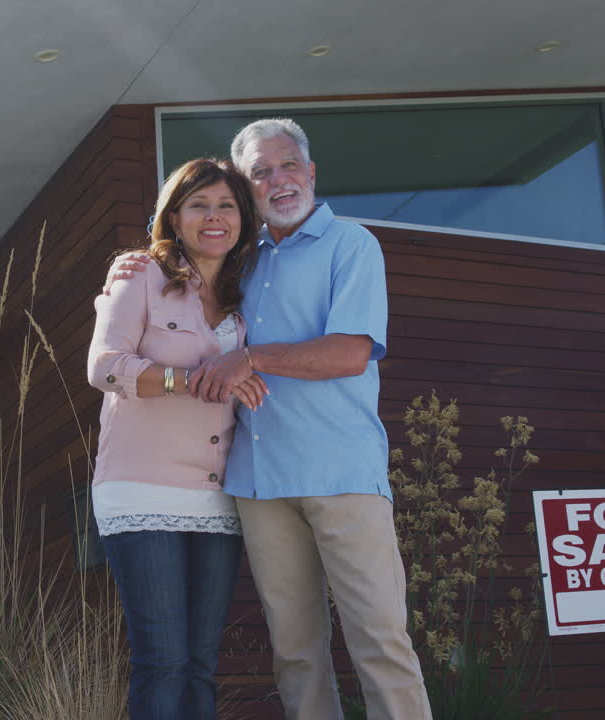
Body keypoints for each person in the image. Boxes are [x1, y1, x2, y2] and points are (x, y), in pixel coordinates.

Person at [107, 119, 433, 720]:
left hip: (342, 477)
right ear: (248, 187)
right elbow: (172, 282)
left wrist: (250, 357)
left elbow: (350, 352)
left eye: (289, 166)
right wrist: (131, 265)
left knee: (381, 645)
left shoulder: (352, 245)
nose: (278, 181)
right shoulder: (237, 260)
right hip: (258, 485)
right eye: (261, 173)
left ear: (311, 173)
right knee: (296, 653)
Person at [87, 156, 268, 720]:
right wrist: (191, 380)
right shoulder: (141, 274)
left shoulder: (249, 291)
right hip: (142, 491)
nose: (214, 218)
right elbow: (104, 366)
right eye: (199, 205)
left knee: (198, 664)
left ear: (242, 218)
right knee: (161, 661)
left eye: (227, 206)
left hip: (219, 496)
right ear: (174, 215)